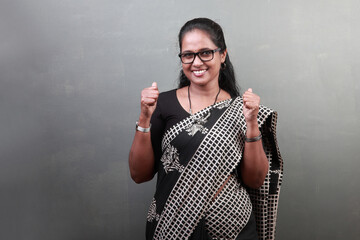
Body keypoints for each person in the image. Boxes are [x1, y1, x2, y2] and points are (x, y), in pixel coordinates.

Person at [129, 18, 283, 240]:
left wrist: (251, 123)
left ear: (222, 55)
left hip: (234, 227)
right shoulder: (161, 105)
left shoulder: (242, 109)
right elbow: (139, 175)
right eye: (188, 54)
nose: (196, 62)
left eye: (205, 52)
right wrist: (144, 118)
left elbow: (256, 180)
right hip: (174, 226)